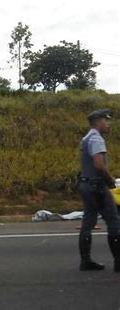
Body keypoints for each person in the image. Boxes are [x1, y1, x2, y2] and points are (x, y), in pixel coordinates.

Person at [78, 108, 119, 272]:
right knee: (114, 221)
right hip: (97, 186)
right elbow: (99, 165)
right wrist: (110, 181)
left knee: (88, 223)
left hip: (86, 185)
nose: (108, 124)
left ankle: (85, 261)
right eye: (106, 121)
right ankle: (119, 262)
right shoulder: (96, 139)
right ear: (99, 122)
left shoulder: (86, 138)